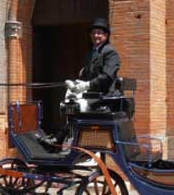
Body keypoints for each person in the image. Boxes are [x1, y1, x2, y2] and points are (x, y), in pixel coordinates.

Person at [41, 18, 121, 150]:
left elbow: (107, 76)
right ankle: (60, 141)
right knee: (69, 105)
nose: (96, 36)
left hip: (104, 96)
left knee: (76, 108)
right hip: (91, 94)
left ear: (106, 36)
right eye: (94, 33)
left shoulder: (110, 52)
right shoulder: (91, 54)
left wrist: (87, 85)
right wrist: (74, 83)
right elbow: (85, 76)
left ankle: (59, 140)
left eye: (99, 33)